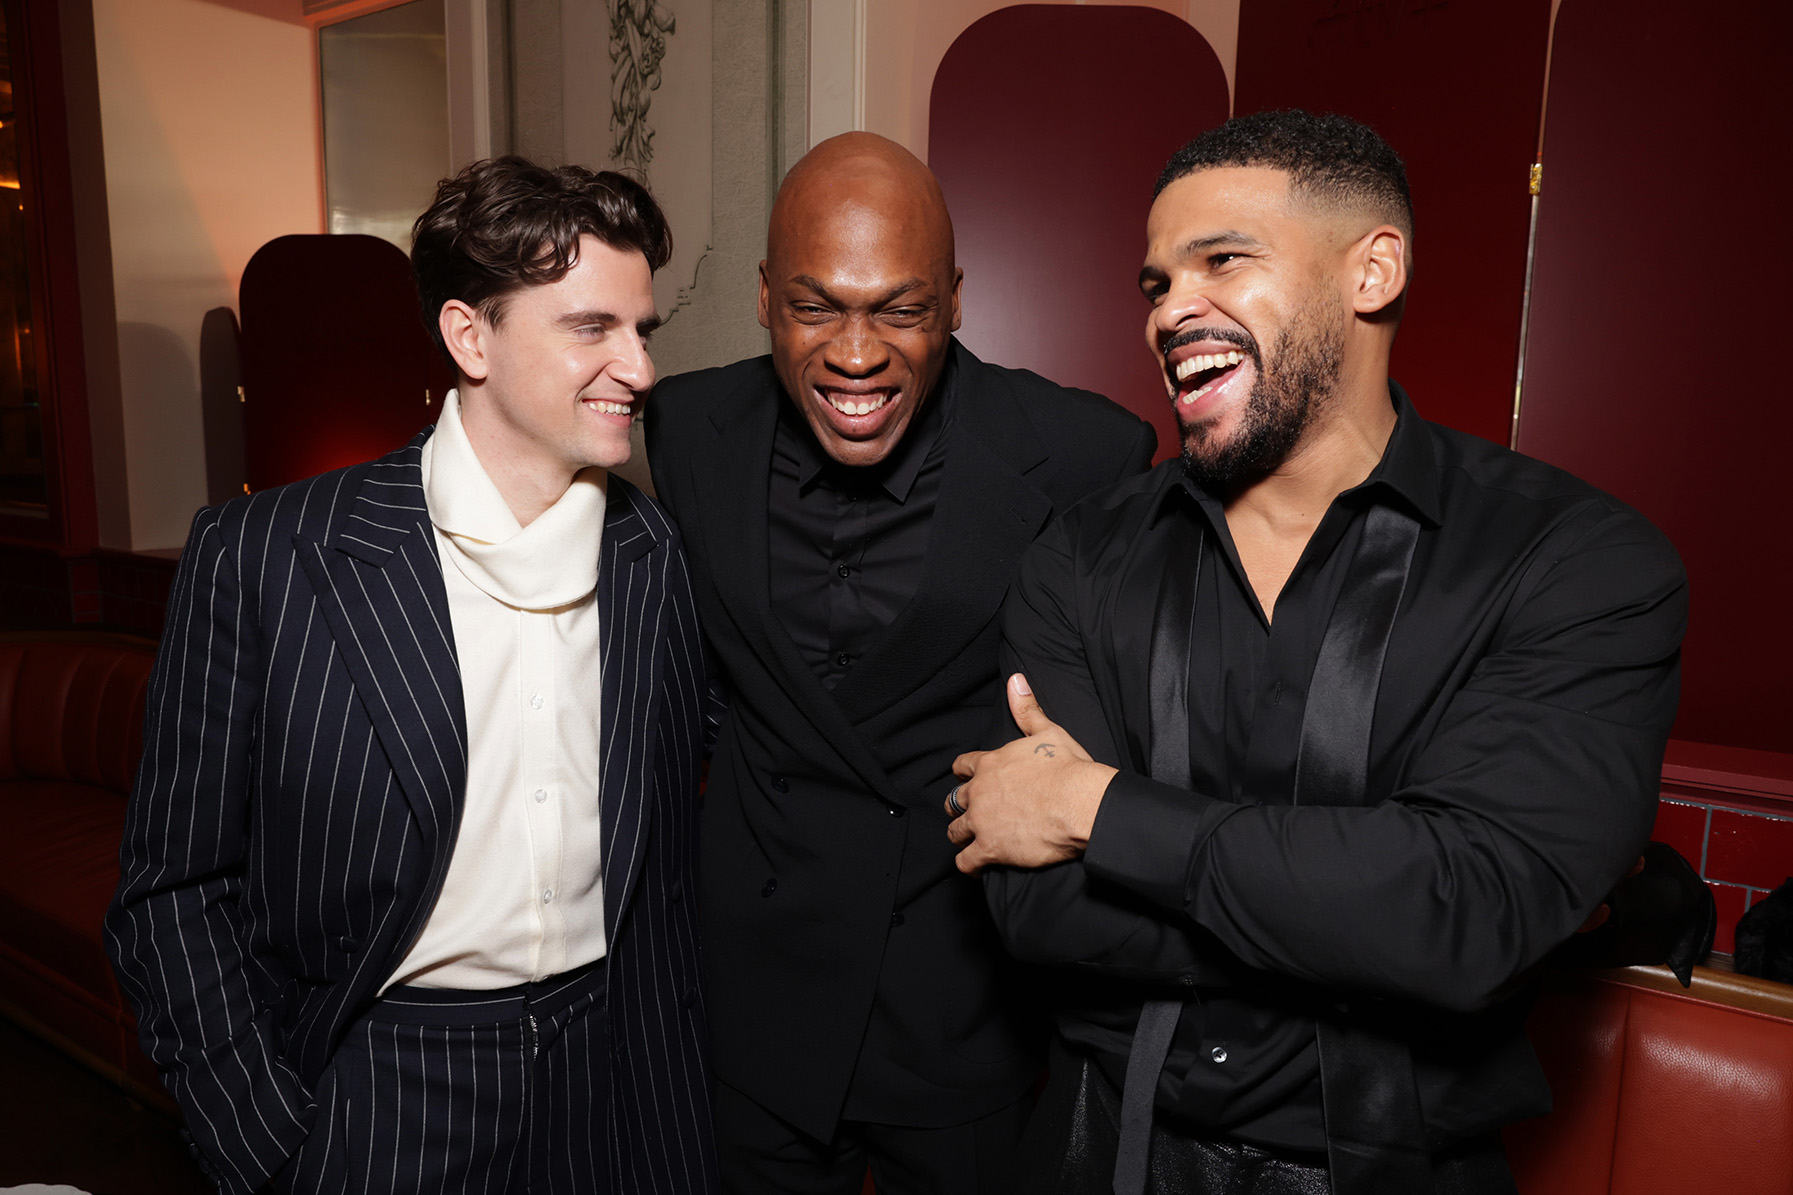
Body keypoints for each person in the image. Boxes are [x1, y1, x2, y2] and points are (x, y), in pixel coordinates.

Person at [944, 110, 1686, 1194]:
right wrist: (1350, 921)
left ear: (1371, 271)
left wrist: (1098, 811)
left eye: (1222, 260)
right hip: (1096, 1153)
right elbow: (1033, 907)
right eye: (1155, 283)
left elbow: (1466, 916)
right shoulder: (1081, 550)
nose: (1168, 310)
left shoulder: (1572, 561)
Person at [106, 157, 717, 1195]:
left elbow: (665, 856)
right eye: (589, 328)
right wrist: (264, 1135)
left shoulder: (649, 553)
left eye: (641, 330)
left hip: (614, 1085)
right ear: (468, 335)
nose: (639, 368)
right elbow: (172, 891)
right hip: (380, 1092)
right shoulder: (269, 557)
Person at [645, 132, 1155, 1193]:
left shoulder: (1081, 451)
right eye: (815, 305)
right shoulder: (684, 431)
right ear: (762, 300)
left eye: (900, 309)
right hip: (754, 997)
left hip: (953, 996)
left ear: (956, 301)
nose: (855, 352)